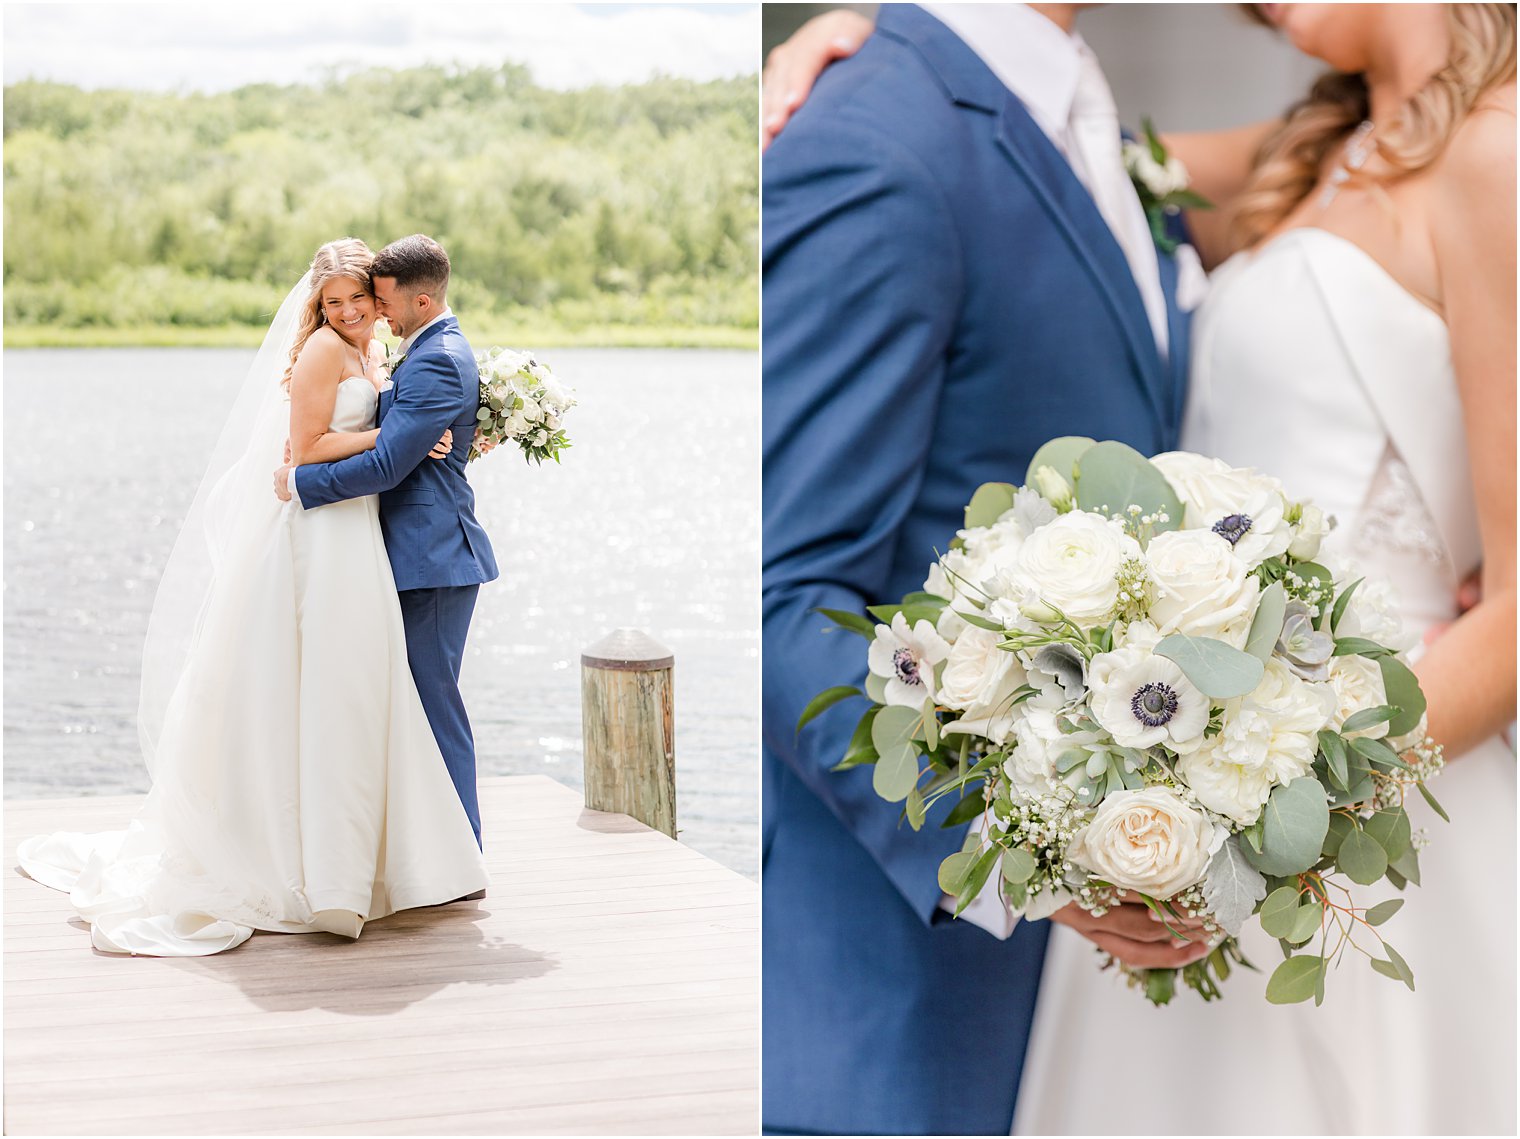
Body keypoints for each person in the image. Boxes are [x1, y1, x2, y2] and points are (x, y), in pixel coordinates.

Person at [766, 3, 1517, 1133]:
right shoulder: (1302, 149)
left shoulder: (1497, 152)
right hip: (1167, 800)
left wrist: (1270, 815)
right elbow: (1023, 165)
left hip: (1345, 810)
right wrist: (852, 39)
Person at [762, 5, 1205, 1133]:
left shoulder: (1073, 114)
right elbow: (782, 594)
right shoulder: (874, 140)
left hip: (1065, 1030)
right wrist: (1042, 854)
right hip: (888, 1011)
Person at [18, 238, 491, 956]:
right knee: (333, 684)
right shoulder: (328, 352)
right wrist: (378, 441)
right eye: (334, 303)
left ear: (387, 298)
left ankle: (418, 857)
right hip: (330, 532)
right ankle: (341, 857)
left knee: (383, 694)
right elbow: (309, 445)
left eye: (363, 300)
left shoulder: (387, 355)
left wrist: (414, 436)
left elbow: (391, 443)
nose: (355, 311)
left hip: (367, 540)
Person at [275, 233, 499, 849]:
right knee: (399, 702)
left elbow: (386, 467)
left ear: (419, 301)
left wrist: (300, 481)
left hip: (430, 556)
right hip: (392, 548)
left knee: (431, 704)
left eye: (377, 299)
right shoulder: (410, 348)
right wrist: (398, 433)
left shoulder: (432, 356)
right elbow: (379, 439)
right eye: (349, 300)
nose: (370, 311)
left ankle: (460, 849)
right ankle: (424, 846)